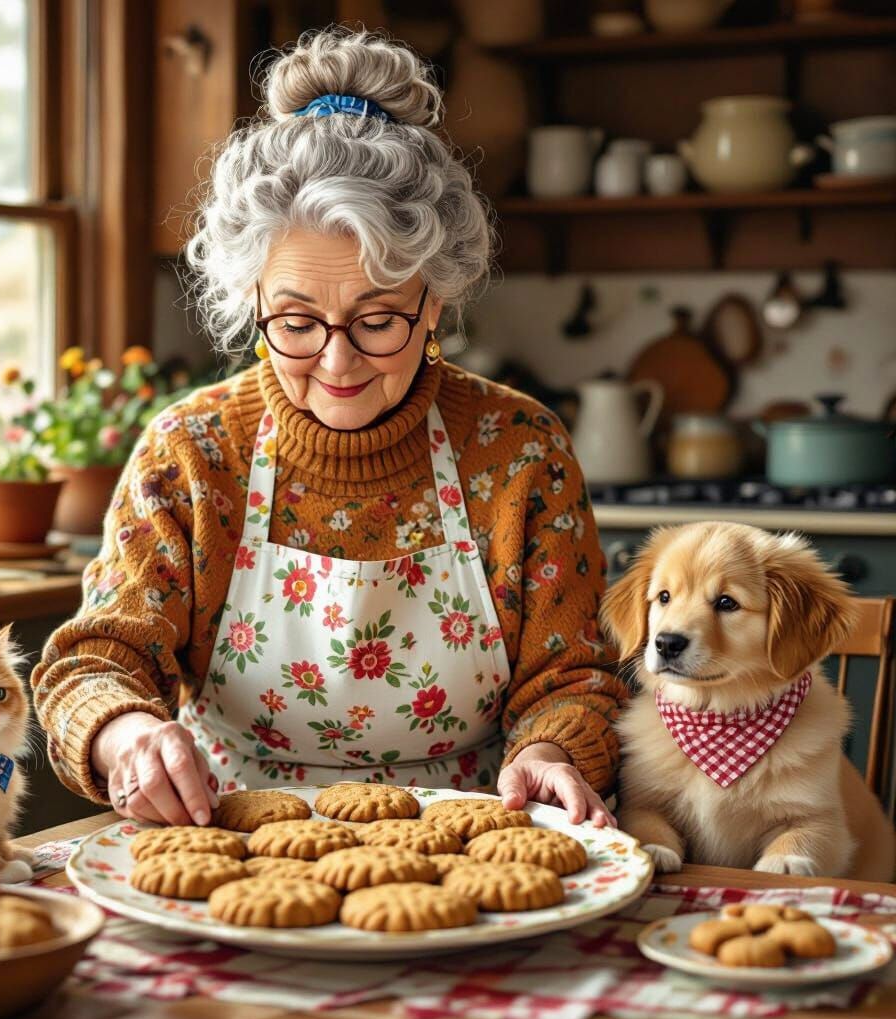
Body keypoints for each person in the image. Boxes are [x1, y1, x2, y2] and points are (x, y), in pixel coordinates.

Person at [32, 26, 627, 830]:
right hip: (232, 838)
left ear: (436, 301)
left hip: (472, 839)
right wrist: (127, 735)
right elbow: (96, 661)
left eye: (378, 320)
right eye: (296, 322)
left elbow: (573, 679)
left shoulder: (521, 450)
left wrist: (551, 753)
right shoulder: (192, 452)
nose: (338, 362)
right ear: (251, 299)